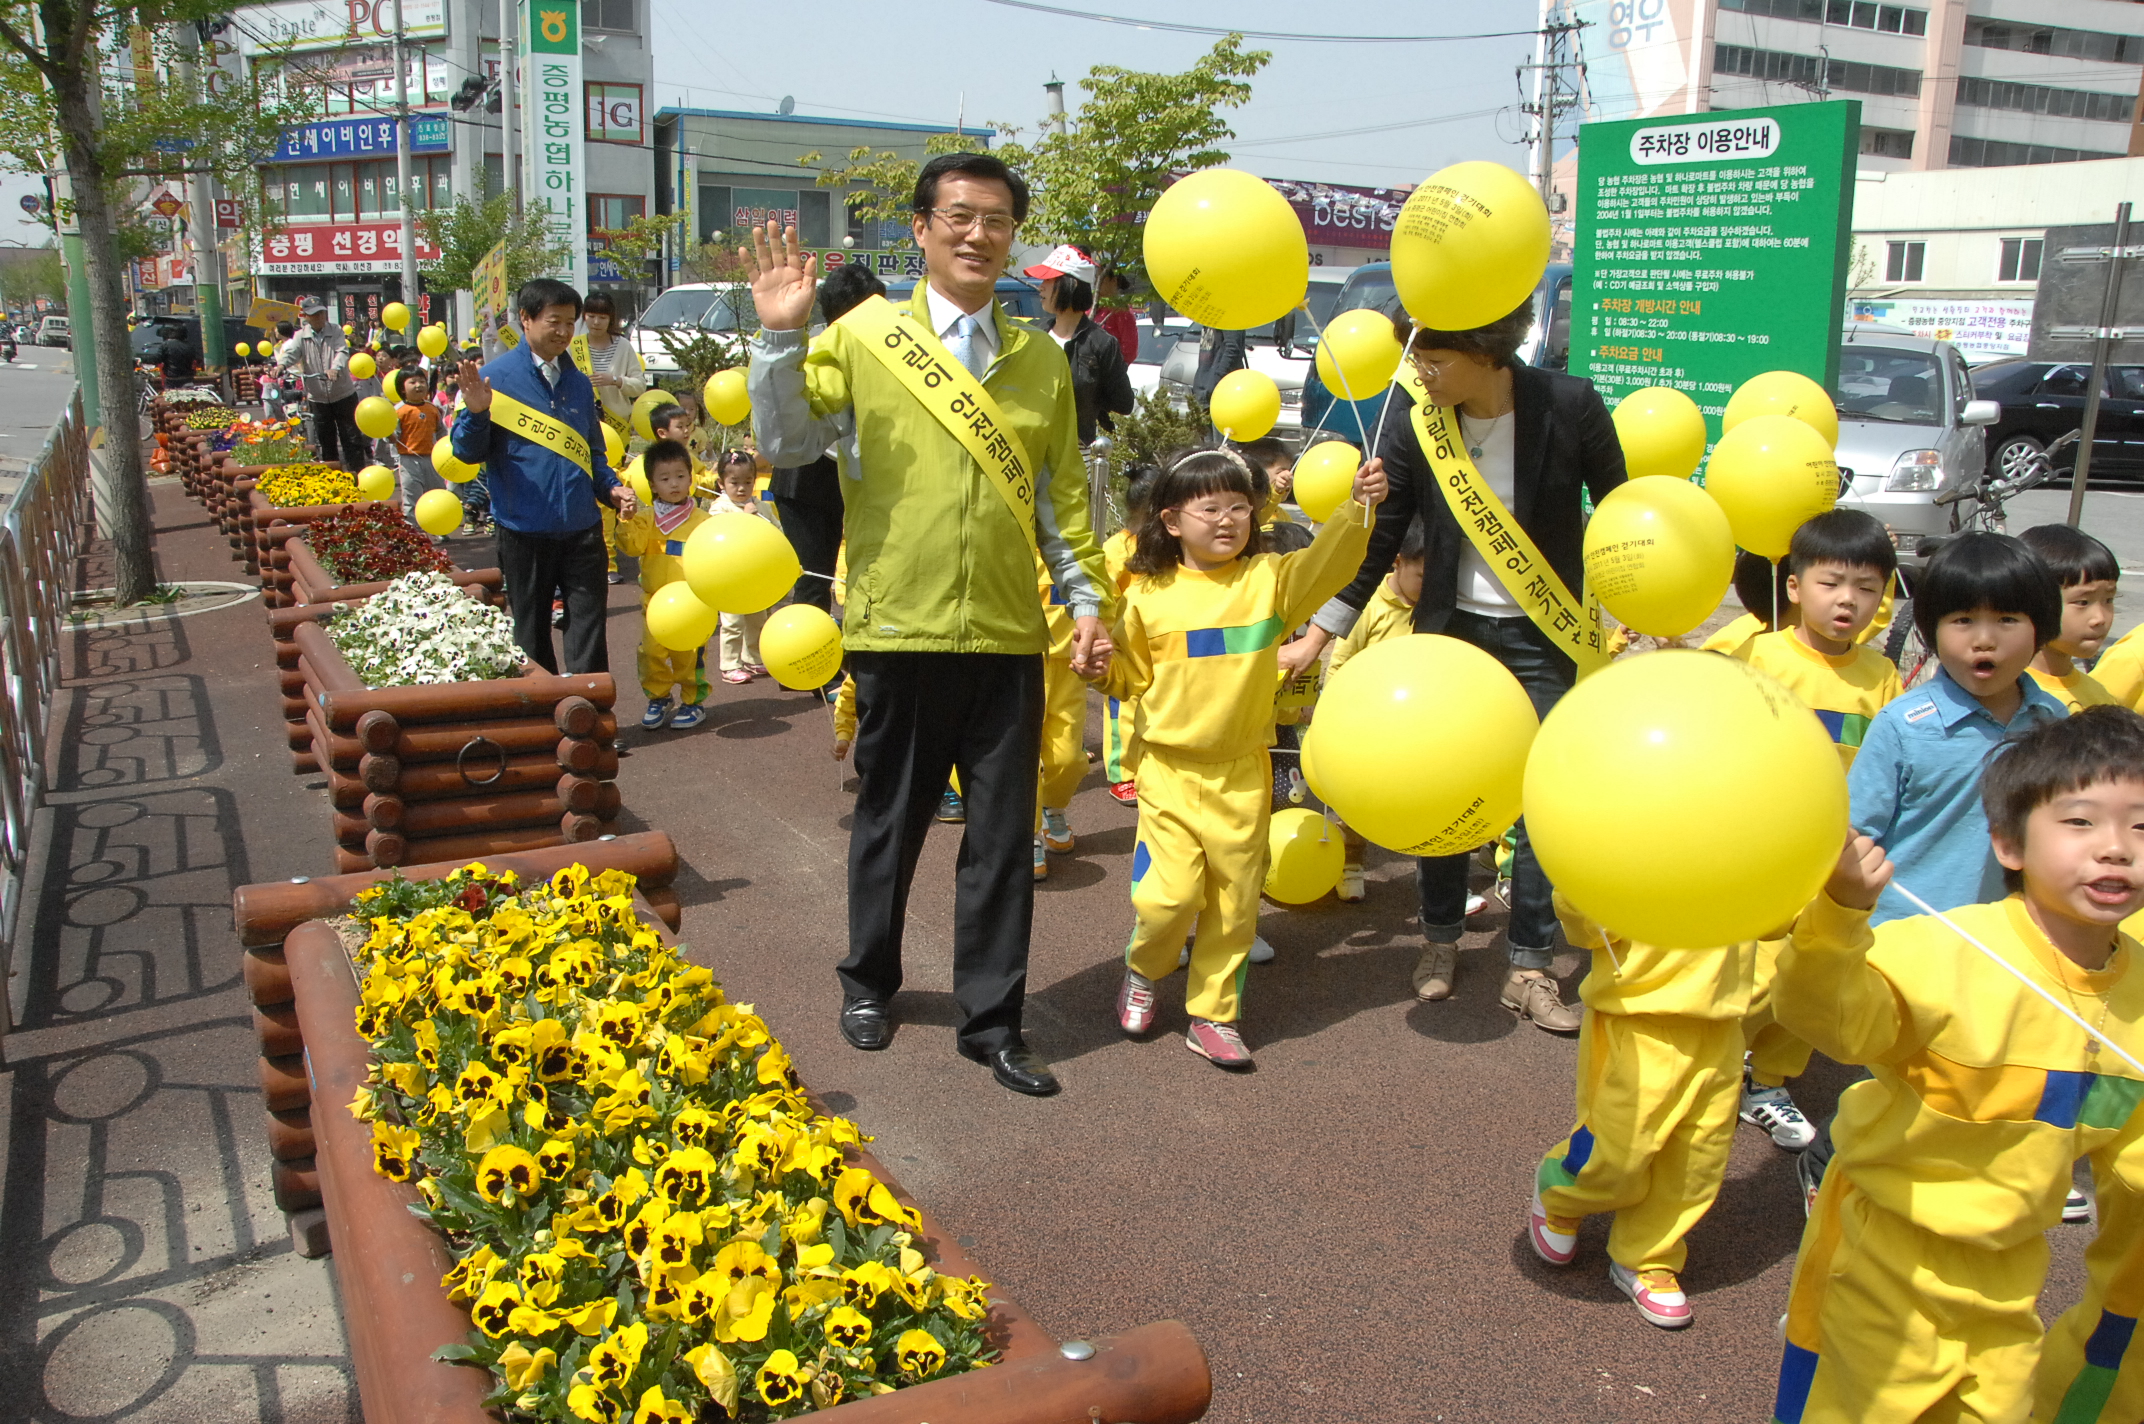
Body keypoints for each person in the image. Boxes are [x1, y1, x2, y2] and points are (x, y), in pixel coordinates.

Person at [743, 153, 1116, 1098]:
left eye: (996, 219)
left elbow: (1063, 504)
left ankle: (992, 1023)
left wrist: (1088, 603)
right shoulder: (864, 337)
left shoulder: (1040, 360)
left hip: (1005, 633)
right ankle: (869, 983)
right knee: (890, 823)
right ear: (920, 229)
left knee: (1001, 839)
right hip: (896, 626)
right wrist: (781, 339)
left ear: (1012, 236)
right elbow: (787, 442)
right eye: (958, 215)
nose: (976, 234)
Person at [1769, 707, 2144, 1424]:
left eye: (2143, 827)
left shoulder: (2139, 995)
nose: (2116, 849)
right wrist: (1840, 913)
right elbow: (1826, 1021)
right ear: (2008, 842)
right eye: (2081, 822)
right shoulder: (1942, 950)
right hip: (1884, 1252)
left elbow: (2131, 1154)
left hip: (2010, 1274)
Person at [1282, 300, 1627, 1031]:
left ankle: (1529, 964)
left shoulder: (1571, 404)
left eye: (1434, 359)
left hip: (1547, 636)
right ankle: (1439, 939)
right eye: (1417, 357)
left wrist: (1643, 610)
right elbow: (1381, 541)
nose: (1420, 372)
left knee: (1541, 800)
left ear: (1487, 349)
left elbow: (1622, 515)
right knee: (1441, 788)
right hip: (1451, 635)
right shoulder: (1418, 422)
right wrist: (1318, 635)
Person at [1792, 531, 2069, 1208]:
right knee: (1892, 1075)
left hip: (2004, 938)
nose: (1984, 640)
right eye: (1962, 620)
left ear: (2040, 627)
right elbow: (1855, 832)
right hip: (1904, 941)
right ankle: (1832, 1160)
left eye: (2007, 620)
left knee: (1976, 1066)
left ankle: (1967, 1173)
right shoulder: (1904, 725)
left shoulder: (2052, 723)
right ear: (1931, 629)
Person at [1094, 446, 1383, 1070]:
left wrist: (1358, 508)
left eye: (1239, 507)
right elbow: (1127, 678)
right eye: (1210, 508)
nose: (1227, 520)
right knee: (1167, 899)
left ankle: (1213, 1015)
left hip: (1243, 772)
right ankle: (1143, 971)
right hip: (1168, 771)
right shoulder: (1147, 596)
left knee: (1234, 904)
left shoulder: (1269, 581)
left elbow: (1331, 563)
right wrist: (1096, 669)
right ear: (1171, 521)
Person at [1725, 510, 1902, 1154]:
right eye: (1831, 583)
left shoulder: (1880, 677)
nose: (1847, 601)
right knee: (1747, 972)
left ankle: (1768, 1081)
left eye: (1866, 588)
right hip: (1759, 846)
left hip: (1833, 857)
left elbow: (1889, 766)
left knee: (1809, 977)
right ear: (1795, 587)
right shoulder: (1760, 656)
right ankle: (1717, 1065)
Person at [1529, 891, 1767, 1330]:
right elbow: (1584, 924)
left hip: (1720, 1025)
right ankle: (1562, 1189)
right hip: (1638, 1017)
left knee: (1697, 1162)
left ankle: (1647, 1255)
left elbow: (1780, 914)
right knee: (1617, 1149)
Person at [451, 277, 637, 676]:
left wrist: (611, 489)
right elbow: (466, 452)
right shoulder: (495, 378)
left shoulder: (578, 381)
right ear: (526, 318)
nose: (564, 332)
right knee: (531, 631)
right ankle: (543, 708)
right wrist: (477, 414)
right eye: (555, 321)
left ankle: (590, 708)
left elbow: (592, 454)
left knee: (588, 627)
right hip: (524, 530)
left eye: (571, 323)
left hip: (582, 527)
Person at [769, 264, 883, 629]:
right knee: (814, 577)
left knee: (854, 575)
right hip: (804, 478)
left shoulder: (875, 349)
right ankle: (809, 656)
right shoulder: (819, 349)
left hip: (849, 475)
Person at [1324, 515, 1426, 908]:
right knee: (1358, 802)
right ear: (1398, 562)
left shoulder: (1433, 605)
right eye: (1421, 574)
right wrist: (1331, 711)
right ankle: (1350, 865)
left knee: (1423, 798)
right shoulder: (1370, 605)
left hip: (1416, 723)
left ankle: (1438, 883)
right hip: (1368, 722)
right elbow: (1341, 660)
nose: (1427, 584)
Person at [617, 439, 711, 730]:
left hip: (692, 604)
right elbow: (631, 547)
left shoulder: (703, 520)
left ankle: (693, 701)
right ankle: (658, 697)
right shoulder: (646, 518)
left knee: (689, 656)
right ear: (652, 485)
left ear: (691, 478)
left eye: (680, 476)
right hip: (655, 601)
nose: (674, 484)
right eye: (665, 478)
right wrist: (626, 521)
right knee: (651, 653)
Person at [1024, 244, 1134, 445]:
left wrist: (1091, 400)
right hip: (1029, 447)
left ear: (1071, 285)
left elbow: (1123, 403)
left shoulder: (1101, 344)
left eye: (1049, 279)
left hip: (1076, 451)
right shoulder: (1032, 333)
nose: (1041, 286)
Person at [1101, 462, 1158, 807]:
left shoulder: (1168, 544)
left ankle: (1148, 763)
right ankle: (1122, 773)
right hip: (1126, 643)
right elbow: (1106, 596)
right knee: (1122, 708)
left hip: (1161, 639)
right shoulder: (1117, 549)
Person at [2018, 524, 2120, 713]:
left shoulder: (2100, 698)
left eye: (2109, 600)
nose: (2100, 618)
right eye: (2082, 602)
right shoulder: (2007, 696)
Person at [710, 451, 775, 684]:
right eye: (734, 482)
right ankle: (730, 664)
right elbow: (722, 535)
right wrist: (747, 518)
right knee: (733, 622)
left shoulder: (761, 506)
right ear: (721, 483)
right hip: (729, 575)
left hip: (754, 573)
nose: (741, 488)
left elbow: (776, 531)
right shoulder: (719, 508)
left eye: (747, 482)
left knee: (758, 618)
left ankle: (753, 657)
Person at [282, 297, 366, 471]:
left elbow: (341, 351)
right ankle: (333, 476)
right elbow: (292, 354)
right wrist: (280, 366)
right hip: (318, 397)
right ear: (305, 316)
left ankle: (358, 473)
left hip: (343, 394)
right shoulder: (300, 336)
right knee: (326, 440)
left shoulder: (335, 330)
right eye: (314, 314)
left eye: (321, 313)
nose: (319, 317)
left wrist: (335, 368)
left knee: (351, 437)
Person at [391, 368, 445, 525]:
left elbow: (441, 432)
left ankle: (439, 527)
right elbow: (393, 435)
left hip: (432, 458)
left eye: (422, 382)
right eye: (412, 382)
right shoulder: (399, 410)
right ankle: (412, 529)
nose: (418, 385)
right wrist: (391, 437)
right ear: (402, 388)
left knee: (437, 494)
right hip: (408, 460)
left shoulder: (432, 409)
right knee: (411, 495)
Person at [1094, 259, 1141, 369]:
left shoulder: (1122, 312)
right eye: (1096, 278)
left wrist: (1114, 370)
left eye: (1101, 279)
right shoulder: (1093, 307)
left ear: (1113, 281)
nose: (1097, 283)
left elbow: (1130, 350)